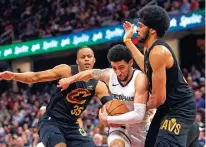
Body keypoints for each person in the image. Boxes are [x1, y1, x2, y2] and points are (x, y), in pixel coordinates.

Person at [0, 47, 113, 147]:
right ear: (77, 61)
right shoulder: (66, 71)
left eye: (89, 56)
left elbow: (110, 104)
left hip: (72, 126)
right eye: (83, 57)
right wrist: (14, 75)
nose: (87, 59)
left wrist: (111, 111)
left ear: (94, 60)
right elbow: (36, 76)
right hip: (51, 122)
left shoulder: (99, 85)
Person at [122, 5, 198, 147]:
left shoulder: (158, 52)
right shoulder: (149, 49)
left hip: (179, 109)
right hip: (166, 109)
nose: (136, 30)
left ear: (152, 30)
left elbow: (158, 99)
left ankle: (191, 129)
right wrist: (127, 41)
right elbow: (146, 67)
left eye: (140, 26)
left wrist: (134, 109)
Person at [58, 44, 150, 147]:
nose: (118, 72)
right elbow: (90, 73)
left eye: (121, 67)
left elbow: (138, 115)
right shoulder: (110, 75)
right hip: (120, 129)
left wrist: (108, 119)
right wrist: (69, 80)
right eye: (114, 68)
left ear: (130, 62)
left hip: (141, 130)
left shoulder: (140, 79)